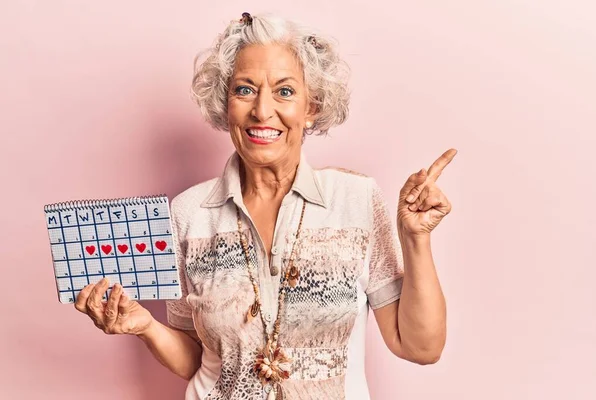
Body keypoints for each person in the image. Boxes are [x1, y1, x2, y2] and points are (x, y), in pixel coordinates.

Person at [74, 12, 455, 400]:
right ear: (226, 103)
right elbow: (198, 360)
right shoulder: (188, 214)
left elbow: (420, 347)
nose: (261, 110)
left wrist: (415, 238)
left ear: (312, 107)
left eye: (285, 92)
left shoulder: (355, 200)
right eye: (244, 89)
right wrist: (146, 328)